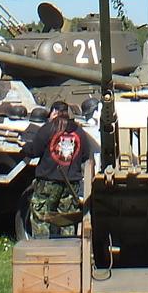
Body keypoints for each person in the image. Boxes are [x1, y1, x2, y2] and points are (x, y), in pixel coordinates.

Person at [20, 100, 91, 237]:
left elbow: (34, 150)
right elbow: (85, 155)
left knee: (41, 217)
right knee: (67, 220)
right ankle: (68, 250)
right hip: (71, 184)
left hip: (47, 182)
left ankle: (42, 250)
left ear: (53, 112)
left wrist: (24, 147)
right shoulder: (79, 132)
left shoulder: (48, 129)